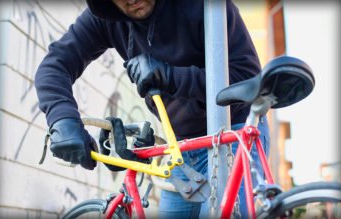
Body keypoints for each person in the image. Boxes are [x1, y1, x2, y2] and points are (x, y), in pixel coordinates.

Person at [34, 0, 270, 218]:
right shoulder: (105, 18)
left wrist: (171, 76)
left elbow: (248, 79)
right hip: (182, 149)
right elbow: (55, 65)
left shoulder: (205, 5)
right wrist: (62, 120)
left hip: (233, 129)